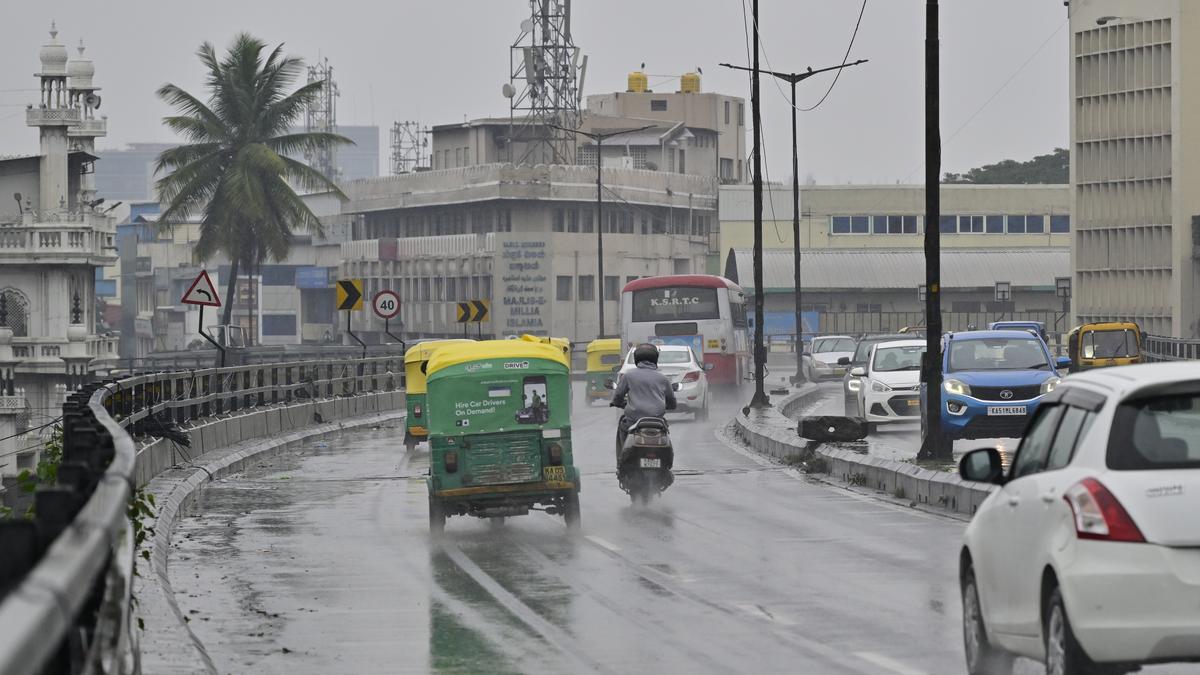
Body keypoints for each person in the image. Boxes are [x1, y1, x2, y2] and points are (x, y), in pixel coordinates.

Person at [609, 343, 676, 469]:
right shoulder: (663, 378)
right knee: (665, 432)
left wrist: (619, 403)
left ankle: (620, 463)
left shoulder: (628, 376)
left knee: (622, 425)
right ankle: (666, 464)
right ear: (655, 358)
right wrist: (667, 406)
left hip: (632, 421)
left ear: (636, 359)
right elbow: (672, 402)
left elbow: (618, 397)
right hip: (657, 421)